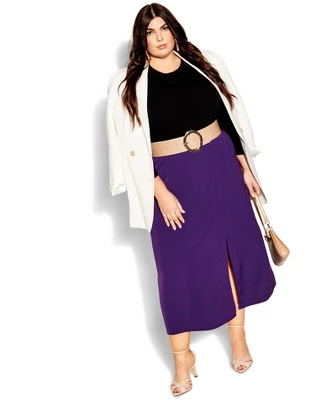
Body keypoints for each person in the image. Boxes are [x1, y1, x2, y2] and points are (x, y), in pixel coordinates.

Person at [106, 2, 276, 396]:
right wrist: (159, 190)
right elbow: (129, 146)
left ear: (174, 29)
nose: (159, 37)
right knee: (175, 271)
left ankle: (238, 337)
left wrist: (245, 168)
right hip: (171, 180)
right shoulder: (127, 84)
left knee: (230, 253)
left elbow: (228, 118)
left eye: (164, 28)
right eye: (150, 32)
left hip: (221, 166)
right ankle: (182, 358)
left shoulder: (204, 62)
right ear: (141, 39)